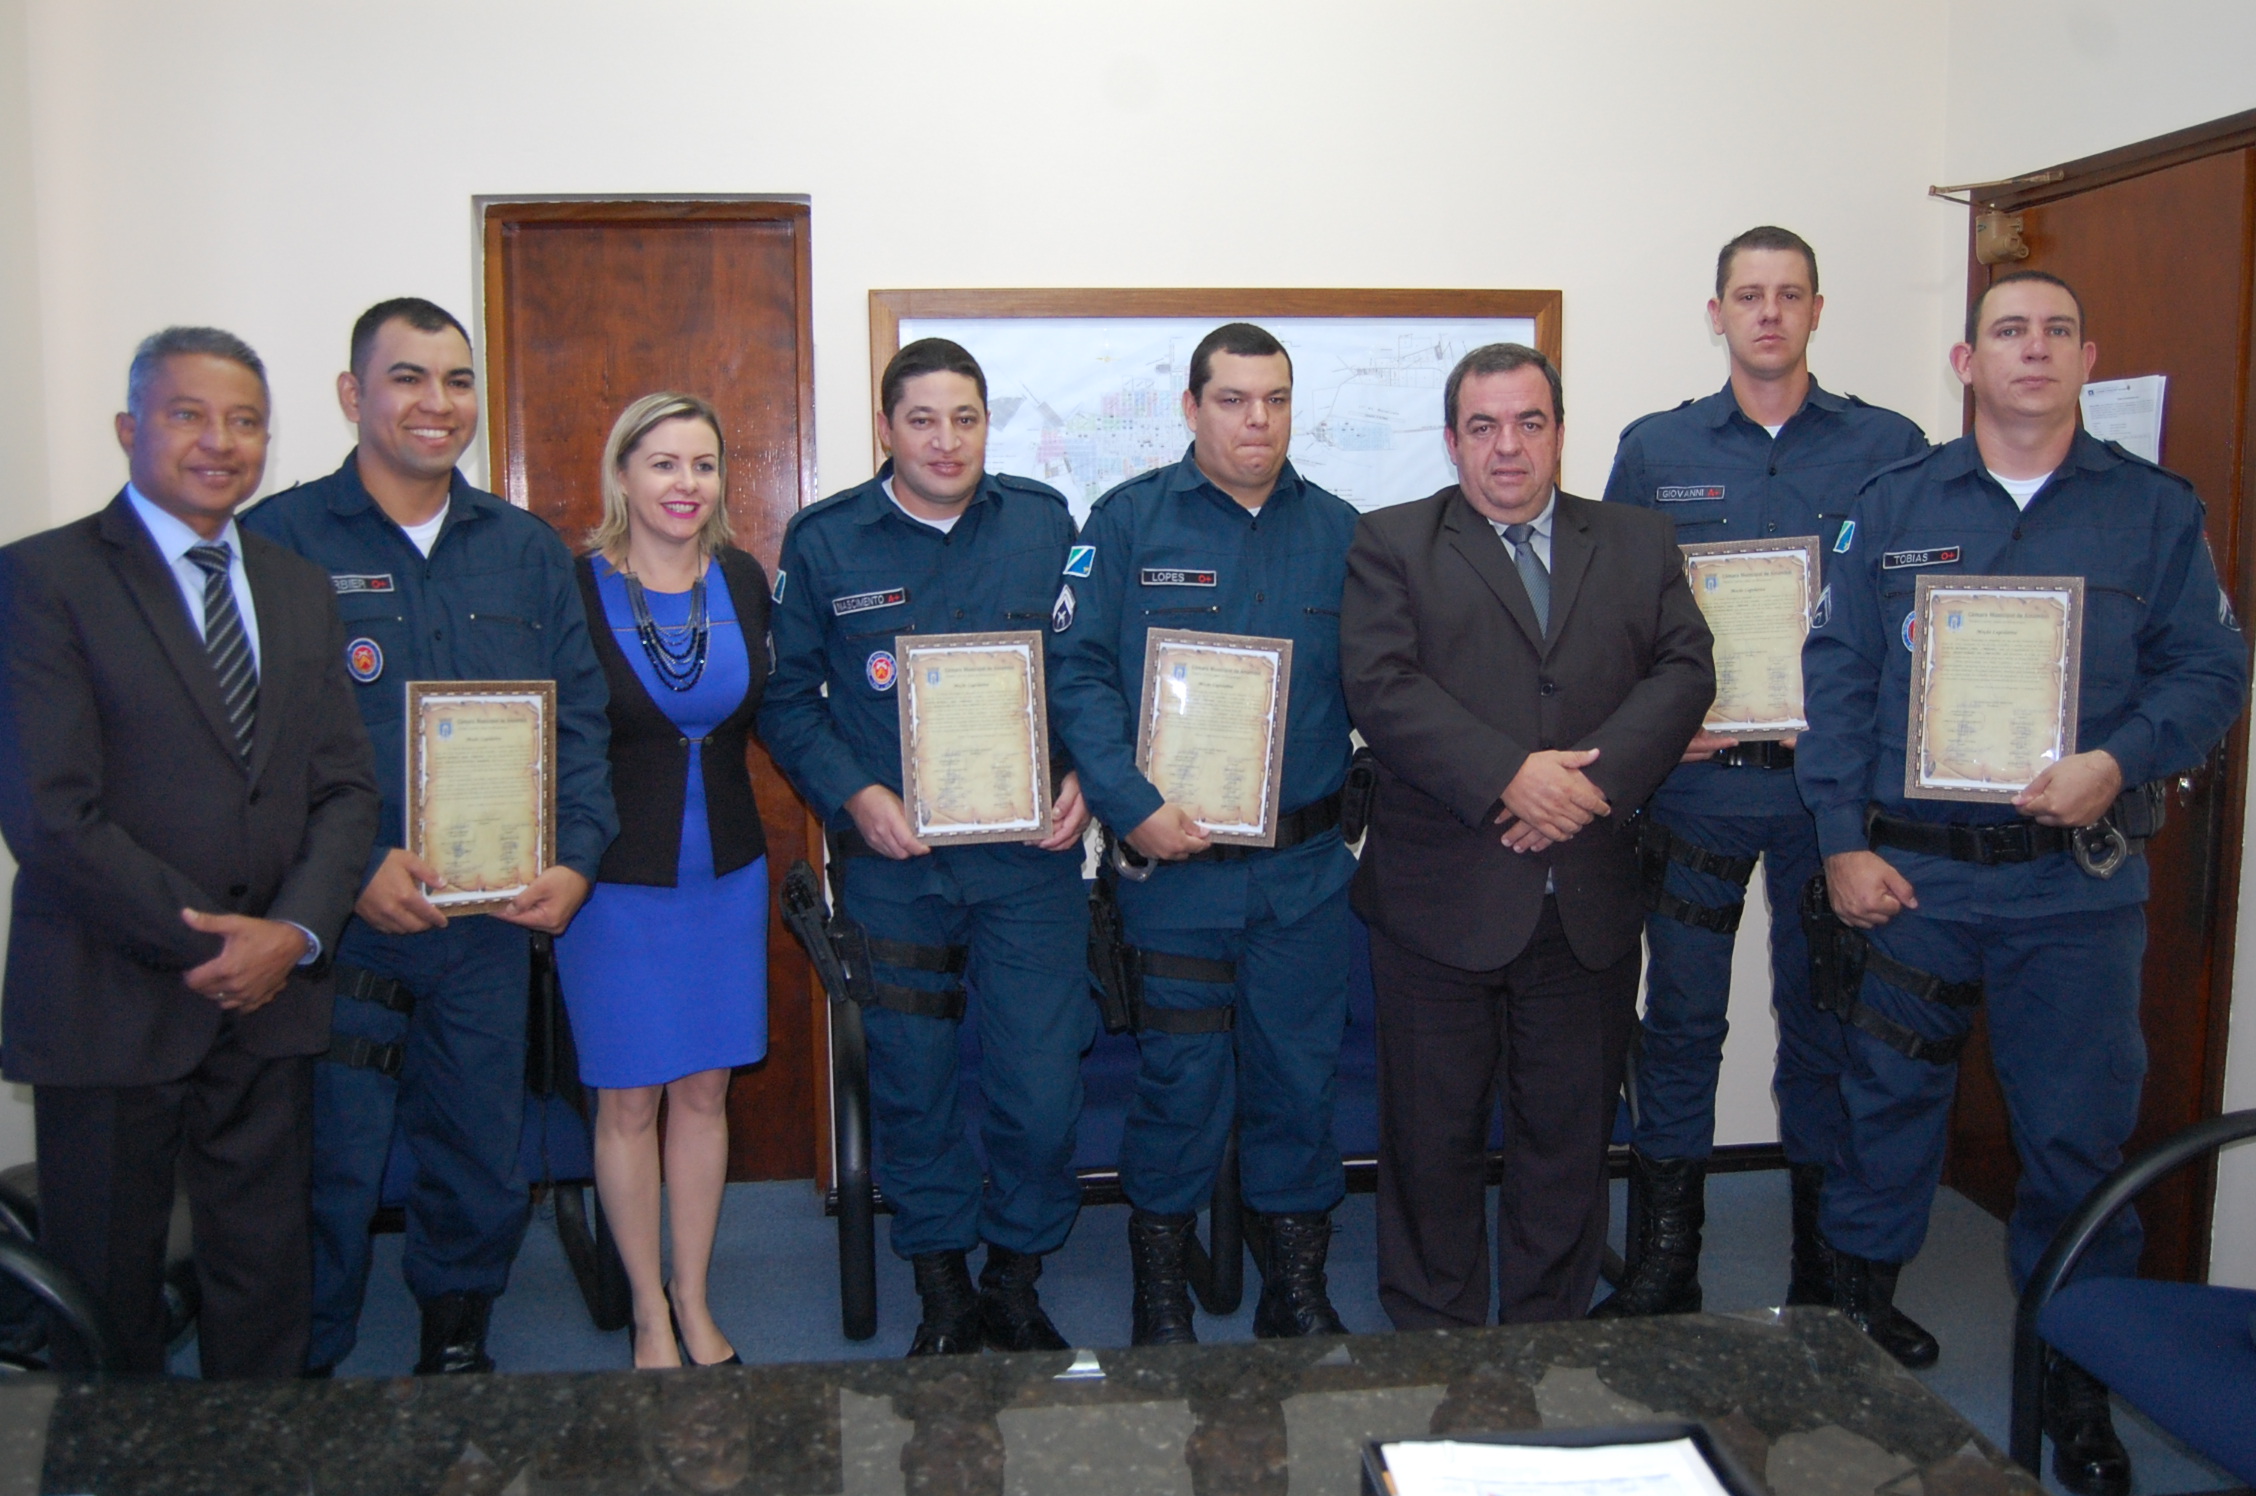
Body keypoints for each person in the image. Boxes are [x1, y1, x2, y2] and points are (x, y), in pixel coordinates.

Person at [1799, 270, 2247, 1494]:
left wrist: (2122, 756)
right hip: (1915, 881)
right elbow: (1833, 682)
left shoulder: (2152, 513)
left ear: (2087, 357)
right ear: (1966, 360)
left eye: (2055, 332)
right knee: (1881, 1114)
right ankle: (1856, 1336)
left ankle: (2078, 1381)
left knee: (2076, 1140)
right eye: (2010, 332)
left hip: (2074, 892)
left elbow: (2213, 670)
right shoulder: (1892, 504)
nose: (2034, 351)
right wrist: (1841, 841)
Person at [242, 297, 616, 1377]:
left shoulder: (525, 548)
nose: (435, 403)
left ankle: (458, 1338)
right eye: (407, 378)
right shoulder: (278, 541)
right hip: (343, 924)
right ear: (355, 395)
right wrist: (348, 872)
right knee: (330, 1156)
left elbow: (578, 720)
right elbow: (245, 745)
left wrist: (575, 857)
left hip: (490, 923)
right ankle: (306, 1359)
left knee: (477, 1146)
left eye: (456, 381)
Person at [0, 328, 380, 1376]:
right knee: (108, 1290)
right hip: (111, 992)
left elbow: (345, 786)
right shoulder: (43, 580)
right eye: (188, 415)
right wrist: (213, 943)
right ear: (131, 428)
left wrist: (292, 933)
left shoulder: (298, 587)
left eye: (246, 420)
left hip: (272, 1000)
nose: (221, 441)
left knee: (264, 1275)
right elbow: (49, 814)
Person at [1341, 342, 1714, 1328]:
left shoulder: (1637, 540)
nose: (1508, 446)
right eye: (1483, 426)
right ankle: (1436, 1335)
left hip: (1586, 898)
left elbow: (1685, 673)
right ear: (1455, 439)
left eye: (1529, 422)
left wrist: (1591, 788)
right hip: (1438, 902)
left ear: (1558, 428)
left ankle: (1547, 1340)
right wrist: (1510, 774)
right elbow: (1381, 687)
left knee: (1567, 1139)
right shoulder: (1391, 542)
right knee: (1432, 1137)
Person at [1593, 227, 1928, 1318]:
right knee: (1681, 1025)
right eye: (1749, 295)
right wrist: (1653, 720)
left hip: (1828, 803)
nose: (1769, 313)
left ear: (1819, 310)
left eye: (1789, 295)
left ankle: (1828, 1280)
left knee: (1828, 1031)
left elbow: (1909, 620)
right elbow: (1613, 615)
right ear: (1718, 312)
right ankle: (1665, 1266)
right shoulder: (1654, 448)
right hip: (1696, 797)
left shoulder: (1891, 445)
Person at [759, 338, 1093, 1356]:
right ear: (884, 427)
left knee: (1041, 1086)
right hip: (895, 865)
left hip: (1028, 862)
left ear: (987, 424)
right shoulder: (825, 542)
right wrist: (854, 794)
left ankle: (1018, 1271)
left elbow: (1088, 672)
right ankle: (944, 1281)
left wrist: (1083, 774)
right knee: (912, 1078)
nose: (946, 441)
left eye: (966, 418)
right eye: (923, 419)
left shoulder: (1045, 525)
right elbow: (785, 700)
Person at [1048, 322, 1361, 1345]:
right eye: (1232, 399)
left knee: (1297, 1077)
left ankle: (1297, 1285)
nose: (1255, 419)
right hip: (1174, 867)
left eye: (1273, 398)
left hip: (1306, 870)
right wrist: (1125, 797)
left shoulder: (1345, 532)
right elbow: (1079, 671)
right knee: (1181, 1082)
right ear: (1192, 408)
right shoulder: (1129, 521)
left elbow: (1389, 682)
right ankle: (1161, 1286)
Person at [551, 392, 769, 1369]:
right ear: (623, 476)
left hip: (725, 872)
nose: (686, 484)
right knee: (629, 1100)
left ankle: (696, 1291)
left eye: (703, 464)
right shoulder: (575, 587)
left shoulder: (743, 579)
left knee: (707, 1090)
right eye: (663, 463)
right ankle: (646, 1308)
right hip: (613, 883)